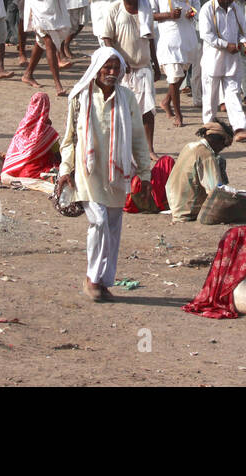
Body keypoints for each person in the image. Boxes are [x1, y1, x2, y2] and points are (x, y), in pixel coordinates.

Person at [57, 47, 152, 301]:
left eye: (115, 68)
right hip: (88, 172)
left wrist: (144, 174)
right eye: (106, 67)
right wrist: (65, 169)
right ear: (96, 68)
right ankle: (91, 278)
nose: (111, 72)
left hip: (116, 173)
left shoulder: (127, 98)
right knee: (98, 222)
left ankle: (104, 281)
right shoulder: (79, 97)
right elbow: (69, 139)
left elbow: (138, 139)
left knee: (112, 227)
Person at [98, 0, 157, 153]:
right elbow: (107, 38)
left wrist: (155, 62)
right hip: (124, 70)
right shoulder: (113, 9)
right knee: (123, 110)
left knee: (148, 111)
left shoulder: (145, 7)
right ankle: (121, 146)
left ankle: (149, 148)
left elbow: (151, 38)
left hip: (144, 66)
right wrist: (121, 61)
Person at [197, 0, 246, 140]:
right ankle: (208, 129)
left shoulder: (235, 8)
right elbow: (206, 35)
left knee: (233, 94)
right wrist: (226, 45)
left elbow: (243, 32)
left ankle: (239, 129)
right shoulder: (207, 9)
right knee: (210, 98)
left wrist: (243, 44)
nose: (230, 1)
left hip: (232, 60)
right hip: (213, 60)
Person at [150, 0, 201, 129]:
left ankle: (166, 101)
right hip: (169, 38)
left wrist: (190, 13)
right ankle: (178, 114)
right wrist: (168, 15)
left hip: (187, 37)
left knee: (180, 75)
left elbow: (197, 7)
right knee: (173, 77)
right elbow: (151, 14)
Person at [166, 122, 232, 223]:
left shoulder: (190, 146)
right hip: (187, 210)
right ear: (217, 141)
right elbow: (215, 190)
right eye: (223, 145)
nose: (222, 149)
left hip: (174, 202)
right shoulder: (207, 155)